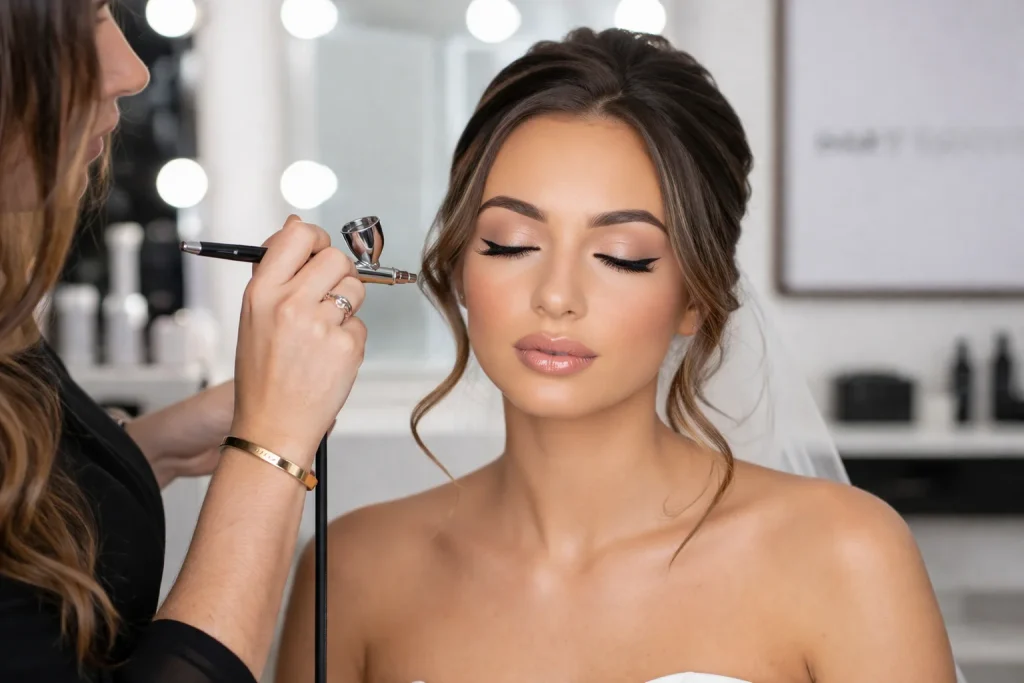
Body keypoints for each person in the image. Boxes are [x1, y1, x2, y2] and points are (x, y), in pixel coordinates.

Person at [275, 28, 961, 683]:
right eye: (510, 244)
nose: (557, 295)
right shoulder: (354, 570)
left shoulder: (844, 555)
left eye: (622, 257)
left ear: (695, 297)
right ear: (457, 267)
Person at [0, 2, 368, 681]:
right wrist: (272, 444)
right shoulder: (372, 565)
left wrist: (142, 450)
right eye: (81, 26)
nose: (133, 70)